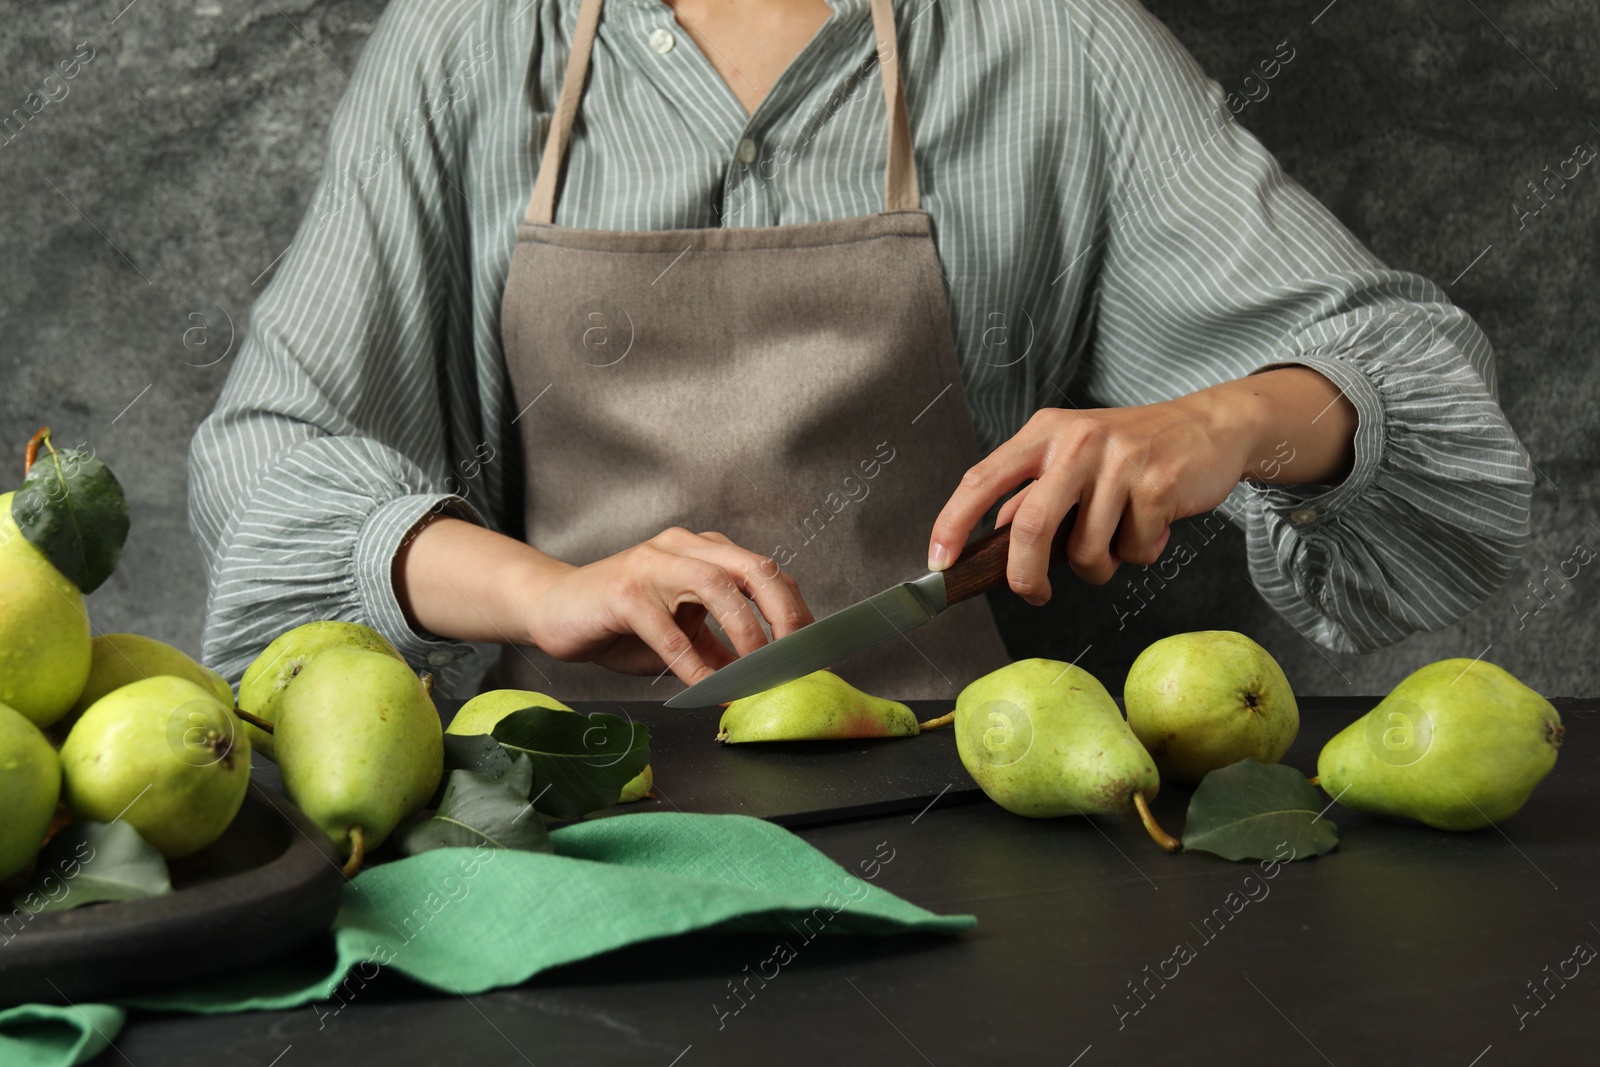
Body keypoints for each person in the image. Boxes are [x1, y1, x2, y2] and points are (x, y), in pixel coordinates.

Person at [188, 0, 1532, 701]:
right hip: (554, 809)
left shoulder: (1050, 41)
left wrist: (1227, 422)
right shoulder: (473, 42)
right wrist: (540, 594)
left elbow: (1406, 367)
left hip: (961, 804)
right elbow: (268, 454)